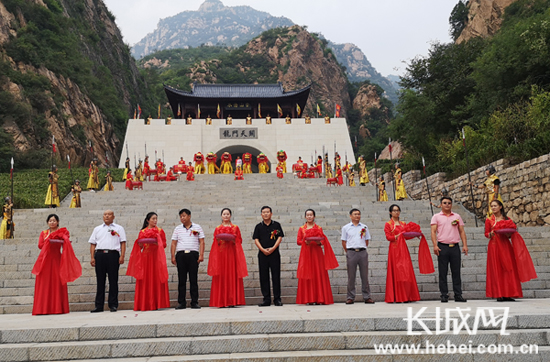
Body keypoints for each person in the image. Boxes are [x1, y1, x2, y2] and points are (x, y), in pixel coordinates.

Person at [485, 200, 537, 302]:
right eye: (492, 206)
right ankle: (499, 294)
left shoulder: (507, 219)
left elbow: (510, 234)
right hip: (494, 245)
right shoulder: (489, 220)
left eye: (495, 206)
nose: (493, 208)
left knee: (509, 268)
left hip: (505, 245)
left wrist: (508, 233)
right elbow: (486, 234)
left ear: (500, 207)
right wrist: (491, 233)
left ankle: (509, 294)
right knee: (497, 268)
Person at [32, 214, 81, 315]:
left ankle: (58, 308)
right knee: (44, 284)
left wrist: (64, 240)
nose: (52, 222)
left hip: (57, 260)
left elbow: (65, 243)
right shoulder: (44, 233)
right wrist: (47, 241)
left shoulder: (63, 232)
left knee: (57, 283)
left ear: (58, 222)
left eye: (54, 220)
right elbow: (40, 245)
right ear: (47, 222)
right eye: (50, 221)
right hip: (45, 261)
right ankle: (42, 309)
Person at [127, 212, 170, 311]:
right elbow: (140, 245)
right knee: (146, 279)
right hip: (146, 257)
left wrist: (157, 241)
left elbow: (163, 244)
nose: (155, 221)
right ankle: (145, 303)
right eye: (153, 219)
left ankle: (158, 303)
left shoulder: (160, 231)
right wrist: (140, 243)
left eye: (156, 219)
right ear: (148, 220)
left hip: (157, 257)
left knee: (157, 277)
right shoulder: (142, 231)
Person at [296, 209, 338, 305]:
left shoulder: (319, 228)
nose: (309, 216)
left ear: (314, 216)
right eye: (308, 215)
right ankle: (308, 299)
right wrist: (305, 242)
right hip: (306, 253)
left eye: (311, 215)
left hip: (317, 253)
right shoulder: (302, 228)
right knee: (307, 273)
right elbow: (298, 241)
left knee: (318, 273)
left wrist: (319, 242)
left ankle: (320, 298)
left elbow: (322, 240)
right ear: (305, 217)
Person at [430, 197, 468, 303]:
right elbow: (433, 232)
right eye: (444, 203)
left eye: (449, 203)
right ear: (441, 204)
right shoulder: (436, 217)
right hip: (442, 247)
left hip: (455, 247)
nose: (447, 205)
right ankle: (444, 294)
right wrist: (435, 245)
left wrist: (465, 245)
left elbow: (462, 231)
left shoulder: (457, 216)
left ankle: (458, 294)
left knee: (456, 271)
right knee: (443, 272)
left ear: (452, 204)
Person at [208, 208, 248, 307]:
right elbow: (215, 242)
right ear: (221, 216)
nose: (226, 215)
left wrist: (233, 239)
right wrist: (218, 239)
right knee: (221, 276)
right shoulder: (217, 228)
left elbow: (239, 241)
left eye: (227, 214)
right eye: (224, 214)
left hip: (232, 254)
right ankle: (221, 301)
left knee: (232, 275)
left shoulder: (235, 228)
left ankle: (232, 301)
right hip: (221, 254)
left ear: (230, 215)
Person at [89, 210, 127, 312]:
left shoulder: (119, 228)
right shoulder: (97, 229)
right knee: (100, 281)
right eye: (105, 214)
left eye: (109, 214)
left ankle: (113, 305)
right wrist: (92, 257)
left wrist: (122, 255)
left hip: (113, 255)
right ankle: (99, 306)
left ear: (113, 216)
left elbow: (123, 242)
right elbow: (93, 243)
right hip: (100, 255)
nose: (107, 216)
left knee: (113, 280)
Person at [383, 205, 421, 303]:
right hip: (394, 249)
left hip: (403, 249)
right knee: (397, 271)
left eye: (398, 210)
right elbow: (388, 237)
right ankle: (398, 297)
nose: (396, 212)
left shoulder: (403, 223)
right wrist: (397, 236)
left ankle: (407, 295)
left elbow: (406, 236)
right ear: (390, 212)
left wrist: (414, 234)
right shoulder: (388, 224)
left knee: (406, 271)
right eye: (394, 210)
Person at [171, 209, 205, 309]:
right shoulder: (177, 229)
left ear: (189, 216)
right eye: (181, 216)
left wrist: (201, 254)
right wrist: (173, 256)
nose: (182, 218)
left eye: (184, 216)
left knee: (193, 279)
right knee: (182, 280)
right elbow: (173, 243)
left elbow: (202, 241)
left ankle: (194, 302)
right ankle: (181, 302)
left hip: (193, 254)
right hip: (181, 255)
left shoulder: (197, 227)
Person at [341, 209, 374, 304]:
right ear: (350, 216)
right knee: (351, 276)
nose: (357, 216)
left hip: (362, 252)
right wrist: (348, 252)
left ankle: (367, 296)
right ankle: (350, 297)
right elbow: (344, 241)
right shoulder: (346, 228)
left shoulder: (364, 227)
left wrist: (362, 248)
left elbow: (367, 240)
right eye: (355, 214)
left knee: (364, 275)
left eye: (359, 214)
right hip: (351, 252)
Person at [253, 206, 284, 306]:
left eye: (267, 212)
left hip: (274, 254)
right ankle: (266, 299)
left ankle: (277, 299)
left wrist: (273, 248)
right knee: (263, 277)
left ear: (271, 213)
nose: (266, 214)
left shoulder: (276, 225)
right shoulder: (258, 226)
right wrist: (262, 249)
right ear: (261, 214)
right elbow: (256, 239)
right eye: (264, 212)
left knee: (276, 276)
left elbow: (280, 237)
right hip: (262, 255)